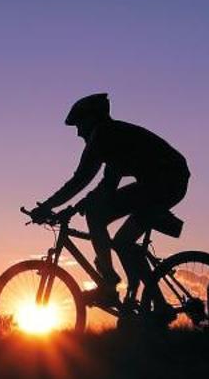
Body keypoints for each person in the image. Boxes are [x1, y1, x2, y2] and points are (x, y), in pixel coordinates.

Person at [29, 93, 190, 310]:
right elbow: (108, 184)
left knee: (97, 214)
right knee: (122, 242)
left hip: (163, 183)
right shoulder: (115, 136)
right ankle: (159, 306)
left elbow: (81, 179)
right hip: (166, 182)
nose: (78, 133)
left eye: (79, 125)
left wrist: (47, 206)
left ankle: (108, 283)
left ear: (92, 119)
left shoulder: (103, 136)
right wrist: (80, 204)